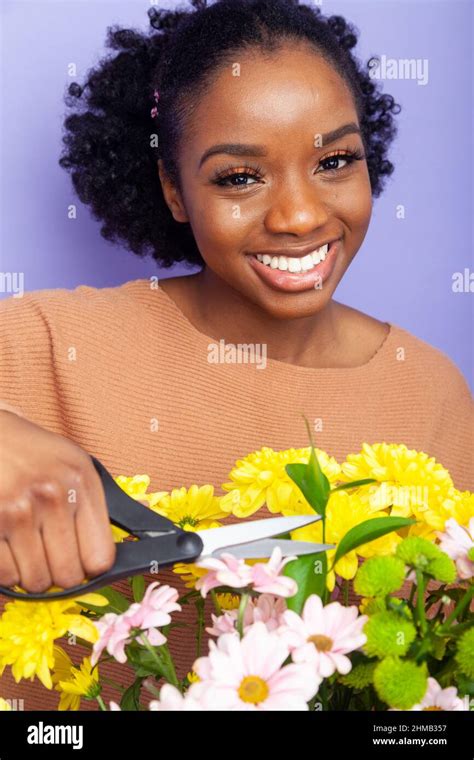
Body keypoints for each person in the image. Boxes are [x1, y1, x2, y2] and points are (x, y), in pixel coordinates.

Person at [0, 0, 472, 710]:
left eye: (335, 161)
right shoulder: (45, 342)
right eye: (239, 178)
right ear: (173, 190)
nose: (301, 216)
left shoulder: (431, 392)